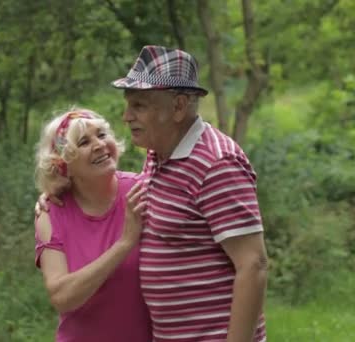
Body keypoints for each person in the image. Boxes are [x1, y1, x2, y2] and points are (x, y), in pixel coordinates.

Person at [38, 45, 268, 342]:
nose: (126, 116)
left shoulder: (217, 164)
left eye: (139, 105)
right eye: (128, 104)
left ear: (178, 106)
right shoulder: (156, 156)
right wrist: (55, 193)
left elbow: (253, 265)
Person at [33, 108, 152, 342]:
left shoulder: (143, 191)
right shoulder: (51, 212)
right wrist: (124, 244)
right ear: (63, 164)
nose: (99, 145)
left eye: (102, 135)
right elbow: (62, 297)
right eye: (84, 142)